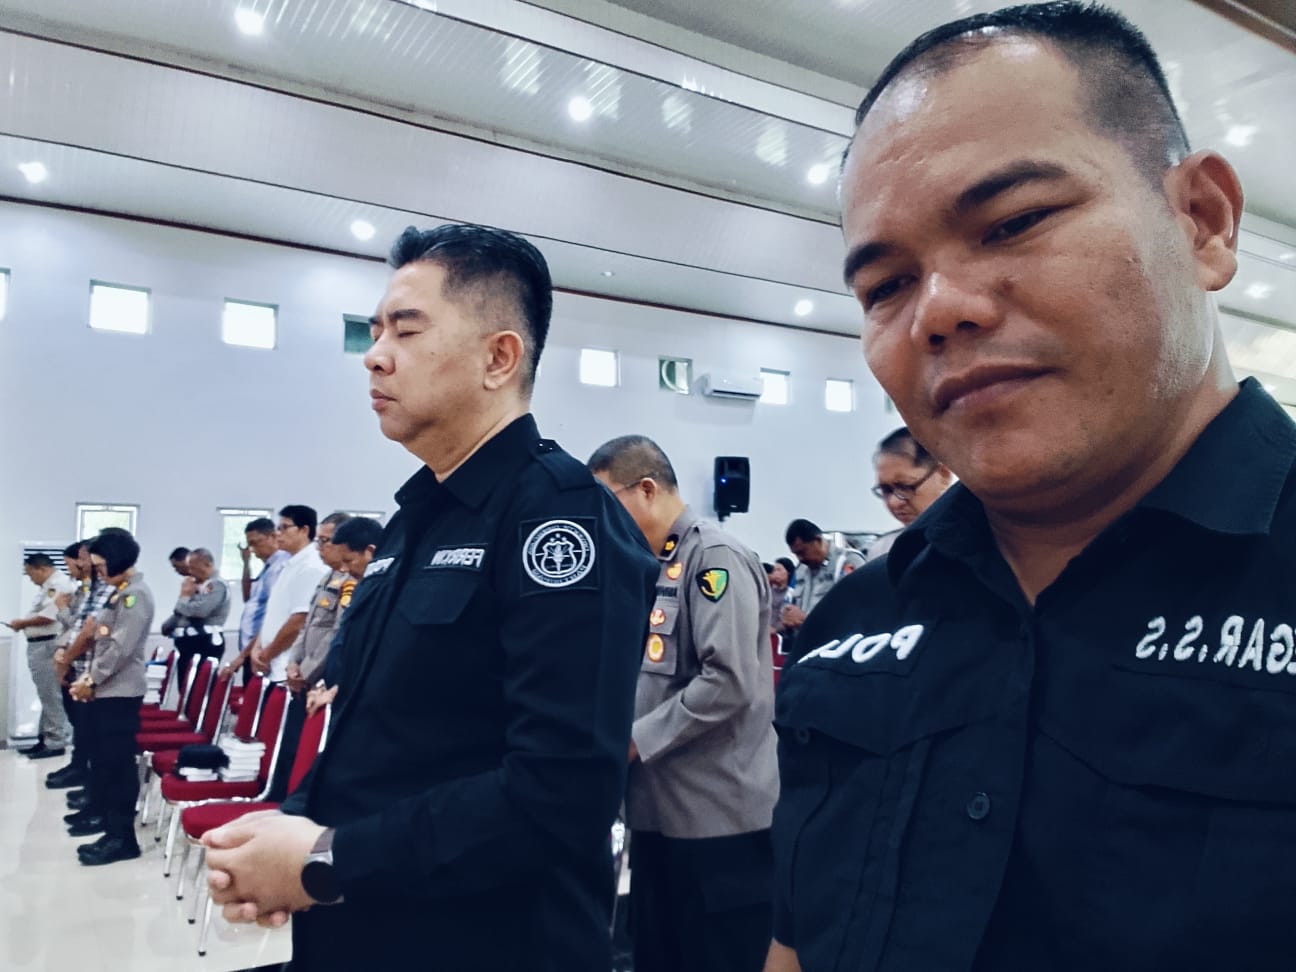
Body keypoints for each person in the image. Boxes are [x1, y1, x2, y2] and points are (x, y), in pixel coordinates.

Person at [763, 3, 1276, 971]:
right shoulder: (855, 626)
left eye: (1014, 222)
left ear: (1202, 222)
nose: (939, 310)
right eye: (885, 286)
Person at [204, 222, 659, 971]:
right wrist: (287, 833)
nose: (375, 354)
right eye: (375, 330)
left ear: (498, 358)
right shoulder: (415, 520)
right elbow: (377, 735)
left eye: (406, 330)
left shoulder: (559, 520)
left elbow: (562, 791)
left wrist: (326, 859)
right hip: (368, 926)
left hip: (485, 943)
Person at [590, 434, 777, 972]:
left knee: (719, 956)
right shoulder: (654, 564)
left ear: (646, 489)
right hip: (659, 811)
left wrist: (632, 741)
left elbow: (728, 680)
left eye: (607, 502)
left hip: (717, 818)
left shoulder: (714, 557)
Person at [66, 529, 154, 865]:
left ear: (118, 560)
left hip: (120, 693)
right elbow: (99, 638)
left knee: (118, 766)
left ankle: (123, 839)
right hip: (107, 690)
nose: (98, 573)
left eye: (102, 566)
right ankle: (110, 827)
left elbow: (119, 648)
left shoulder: (135, 596)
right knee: (105, 761)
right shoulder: (120, 593)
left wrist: (90, 678)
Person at [271, 512, 352, 799]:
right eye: (319, 540)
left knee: (306, 752)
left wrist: (306, 672)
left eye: (326, 541)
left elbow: (336, 633)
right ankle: (278, 798)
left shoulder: (351, 581)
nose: (320, 547)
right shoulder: (328, 576)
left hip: (318, 679)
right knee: (289, 746)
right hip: (301, 676)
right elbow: (308, 626)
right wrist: (293, 663)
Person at [303, 514, 384, 717]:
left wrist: (337, 688)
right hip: (338, 691)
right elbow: (343, 643)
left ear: (370, 551)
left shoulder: (386, 592)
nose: (344, 569)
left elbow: (375, 655)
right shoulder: (362, 587)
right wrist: (327, 683)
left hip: (364, 702)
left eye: (348, 561)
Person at [247, 505, 330, 684]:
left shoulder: (311, 566)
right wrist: (257, 647)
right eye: (278, 528)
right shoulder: (290, 564)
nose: (278, 534)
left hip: (286, 667)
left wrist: (266, 655)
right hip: (272, 664)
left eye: (284, 527)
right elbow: (274, 614)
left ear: (304, 530)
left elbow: (298, 621)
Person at [10, 553, 79, 759]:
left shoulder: (58, 584)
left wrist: (22, 623)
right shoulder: (48, 586)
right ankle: (45, 738)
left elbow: (49, 617)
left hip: (48, 644)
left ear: (42, 569)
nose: (30, 579)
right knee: (46, 694)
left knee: (51, 695)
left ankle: (56, 741)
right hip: (40, 645)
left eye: (30, 573)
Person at [865, 426, 954, 560]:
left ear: (943, 475)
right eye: (885, 490)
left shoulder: (979, 541)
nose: (894, 502)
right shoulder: (883, 551)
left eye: (905, 487)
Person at [778, 519, 863, 658]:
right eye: (796, 554)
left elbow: (859, 611)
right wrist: (787, 615)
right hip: (804, 649)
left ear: (818, 540)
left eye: (803, 552)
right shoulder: (800, 570)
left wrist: (807, 621)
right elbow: (788, 601)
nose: (800, 558)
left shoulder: (847, 562)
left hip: (837, 650)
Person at [223, 517, 288, 682]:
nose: (252, 549)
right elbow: (248, 597)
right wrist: (246, 563)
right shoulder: (268, 568)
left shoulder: (280, 567)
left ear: (273, 537)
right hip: (251, 649)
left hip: (260, 651)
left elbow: (273, 617)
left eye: (255, 543)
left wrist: (243, 655)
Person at [161, 548, 231, 685]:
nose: (190, 572)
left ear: (207, 565)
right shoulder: (198, 584)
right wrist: (170, 624)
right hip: (188, 642)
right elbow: (182, 611)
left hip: (204, 641)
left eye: (193, 568)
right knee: (185, 686)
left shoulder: (216, 585)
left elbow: (200, 611)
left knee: (198, 687)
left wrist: (184, 596)